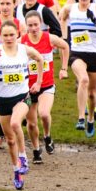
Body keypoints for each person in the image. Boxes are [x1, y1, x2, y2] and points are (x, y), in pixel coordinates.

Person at [0, 21, 45, 191]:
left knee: (16, 123)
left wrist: (38, 82)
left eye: (12, 35)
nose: (9, 38)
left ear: (17, 34)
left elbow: (40, 58)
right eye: (5, 35)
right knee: (10, 141)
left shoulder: (24, 49)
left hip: (22, 97)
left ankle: (23, 157)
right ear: (1, 36)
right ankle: (16, 170)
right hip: (3, 101)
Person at [59, 0, 96, 137]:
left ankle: (90, 118)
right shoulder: (70, 8)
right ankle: (81, 117)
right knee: (83, 80)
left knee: (93, 93)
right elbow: (61, 17)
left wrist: (95, 21)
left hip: (94, 53)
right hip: (77, 53)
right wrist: (64, 37)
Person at [21, 10, 69, 165]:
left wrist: (63, 68)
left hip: (46, 85)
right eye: (30, 25)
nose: (34, 28)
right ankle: (36, 150)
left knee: (44, 113)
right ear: (26, 26)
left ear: (41, 24)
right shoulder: (22, 41)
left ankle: (47, 136)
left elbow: (65, 46)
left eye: (36, 24)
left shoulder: (49, 38)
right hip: (28, 88)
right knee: (32, 123)